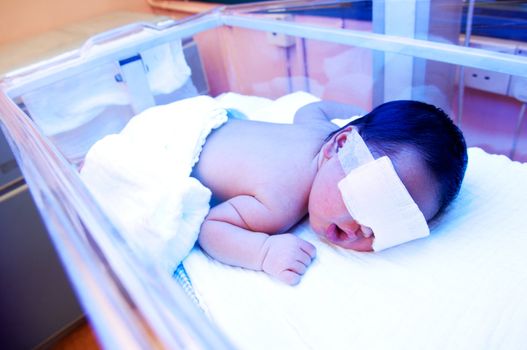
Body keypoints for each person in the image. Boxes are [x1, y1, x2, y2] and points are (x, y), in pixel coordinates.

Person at [191, 100, 467, 285]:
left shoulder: (325, 133)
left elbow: (313, 108)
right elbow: (212, 227)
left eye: (390, 225)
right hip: (179, 138)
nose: (366, 229)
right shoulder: (279, 200)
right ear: (342, 144)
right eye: (371, 198)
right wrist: (264, 252)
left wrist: (355, 110)